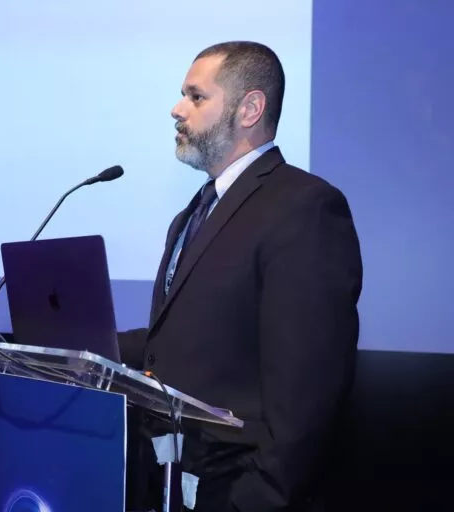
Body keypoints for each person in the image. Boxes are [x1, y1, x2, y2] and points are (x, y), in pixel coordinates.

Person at [119, 41, 363, 511]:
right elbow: (183, 342)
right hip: (176, 485)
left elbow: (308, 396)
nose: (177, 109)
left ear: (250, 108)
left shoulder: (304, 208)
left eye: (196, 96)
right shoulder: (197, 209)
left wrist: (254, 501)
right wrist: (84, 346)